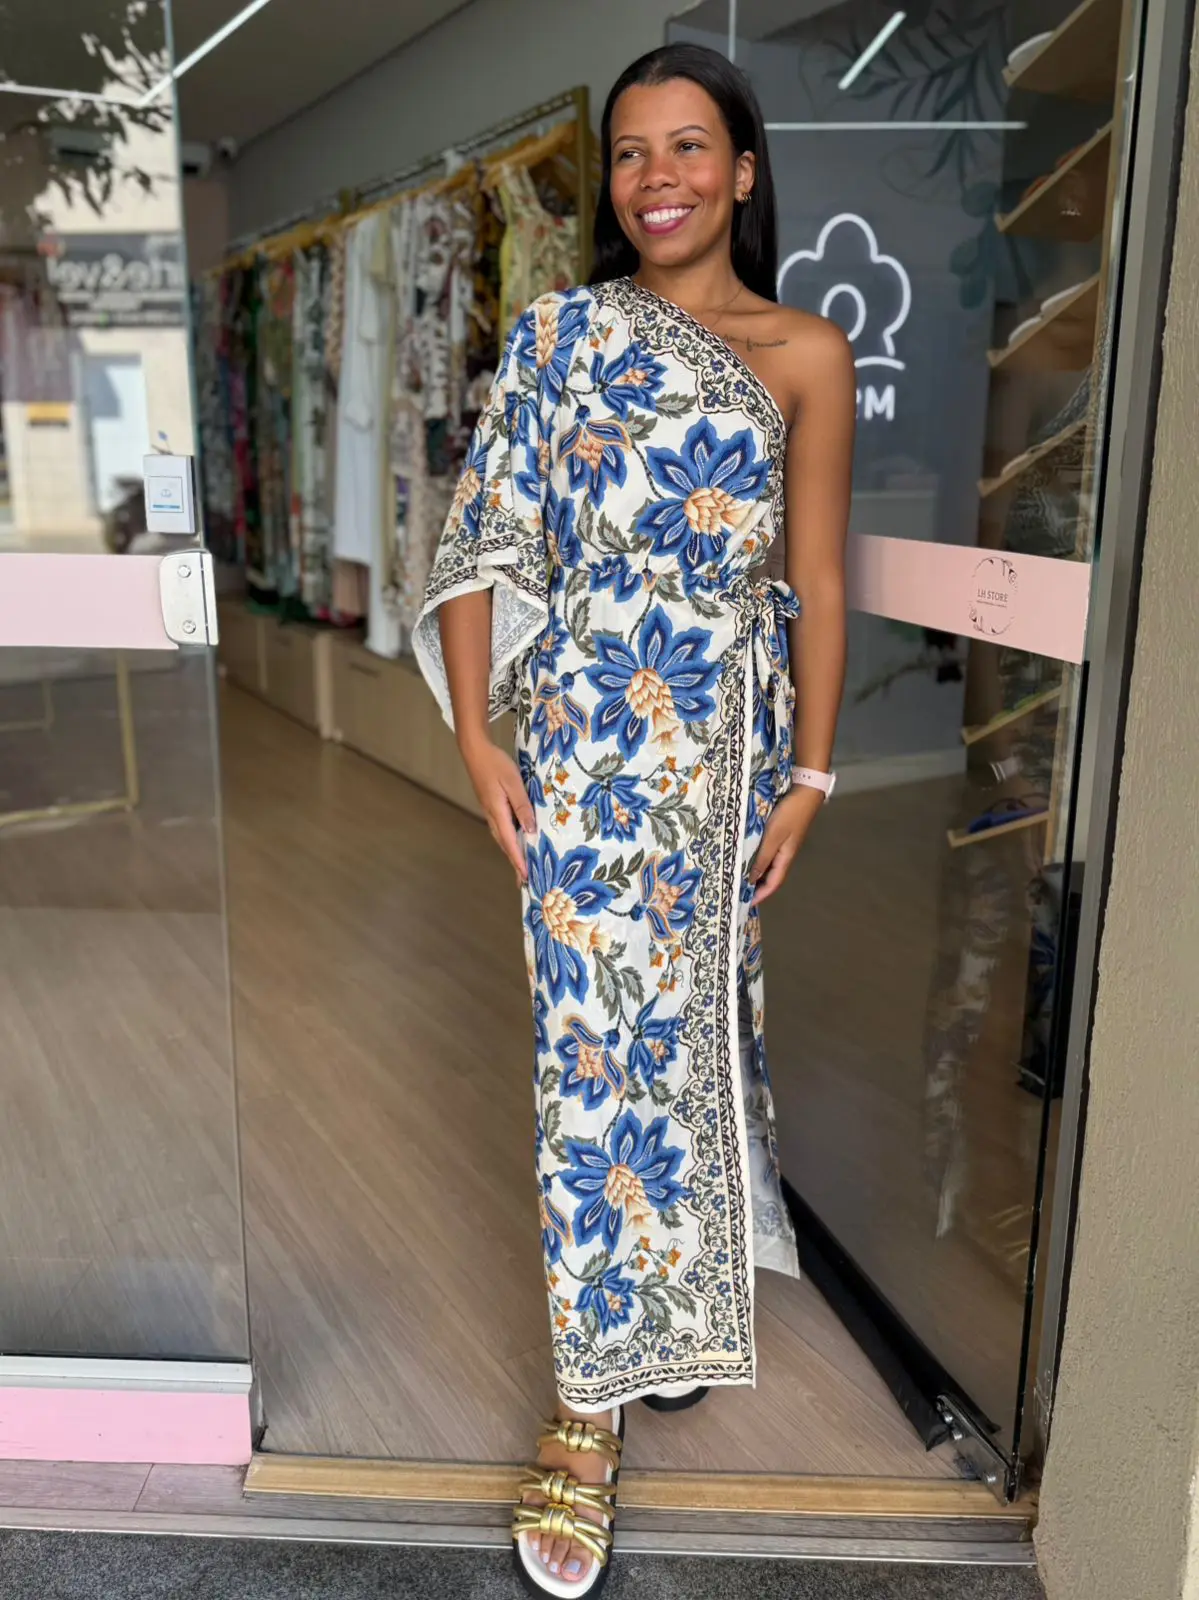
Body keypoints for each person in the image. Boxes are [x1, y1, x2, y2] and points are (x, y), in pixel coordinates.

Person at [413, 41, 854, 1597]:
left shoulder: (803, 354)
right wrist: (476, 737)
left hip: (723, 757)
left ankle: (658, 1308)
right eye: (628, 152)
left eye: (686, 147)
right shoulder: (560, 336)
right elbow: (485, 536)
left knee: (687, 1040)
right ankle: (587, 1409)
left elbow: (814, 581)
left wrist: (811, 778)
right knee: (590, 1061)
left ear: (741, 170)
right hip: (583, 755)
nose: (654, 178)